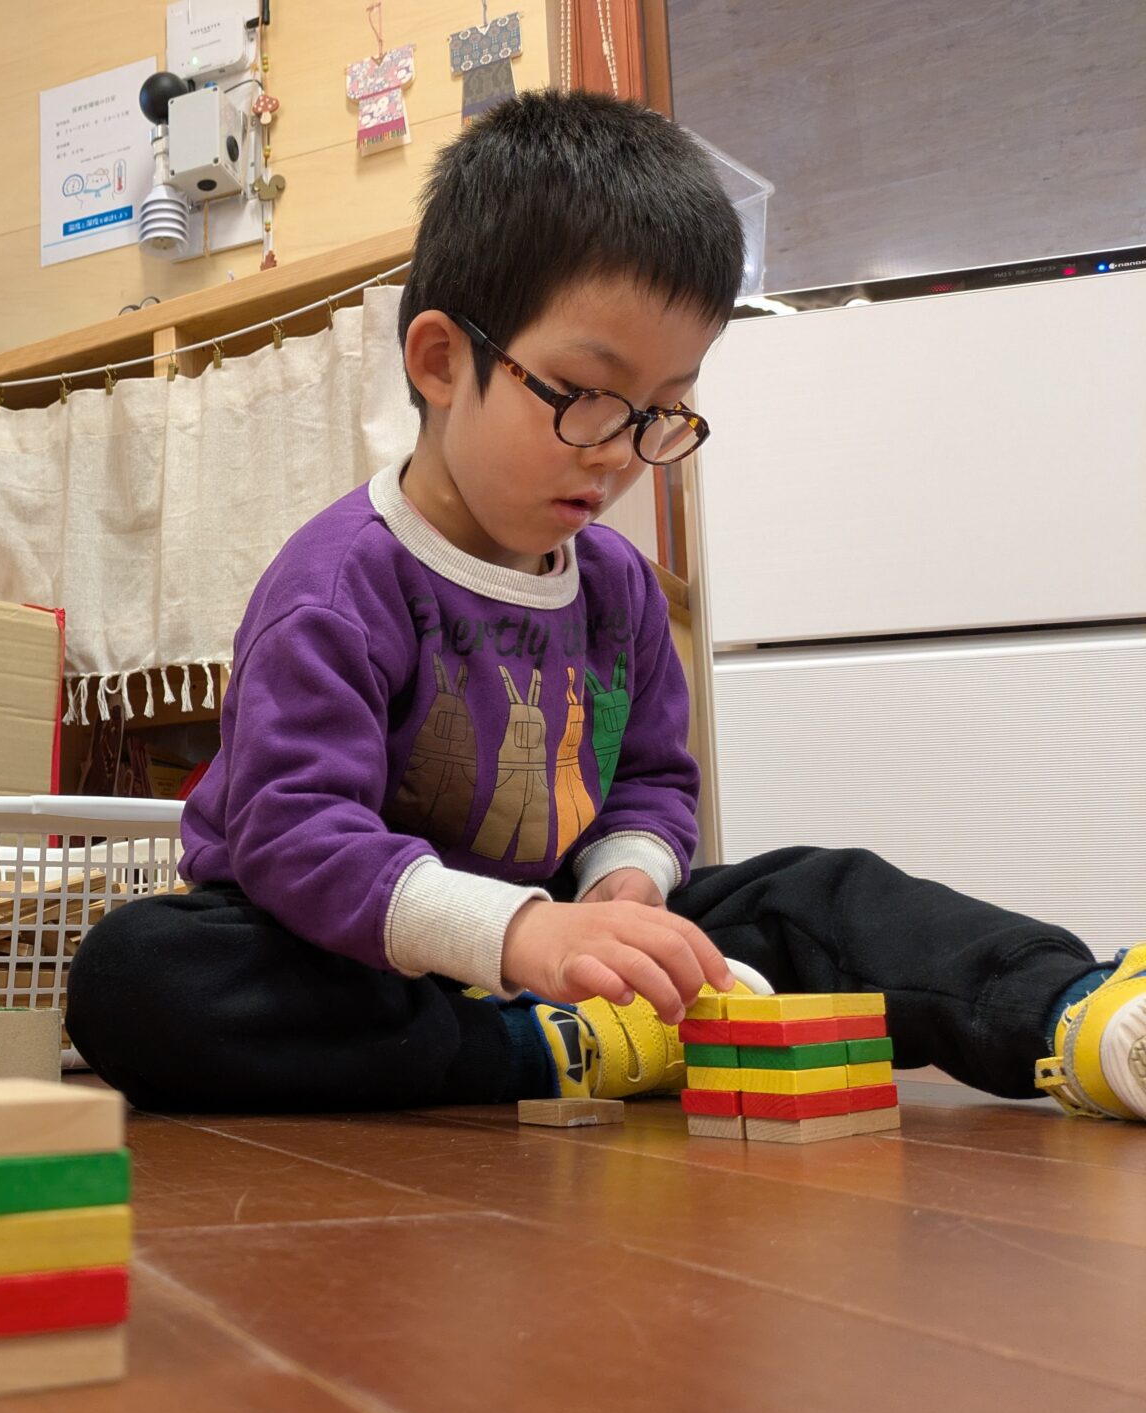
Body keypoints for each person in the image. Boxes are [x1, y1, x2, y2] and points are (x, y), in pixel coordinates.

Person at [64, 91, 1144, 1125]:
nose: (622, 453)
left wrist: (626, 886)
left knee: (815, 894)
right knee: (143, 972)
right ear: (440, 361)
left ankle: (1074, 1011)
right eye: (587, 398)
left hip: (564, 936)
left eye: (663, 410)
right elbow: (295, 834)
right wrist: (521, 935)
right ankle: (550, 1048)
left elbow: (652, 780)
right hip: (354, 953)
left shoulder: (616, 586)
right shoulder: (341, 581)